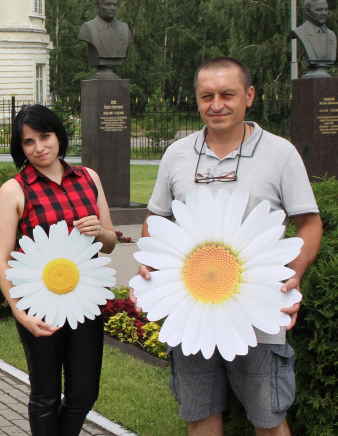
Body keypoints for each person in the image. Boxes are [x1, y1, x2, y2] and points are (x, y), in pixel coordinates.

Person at [131, 57, 323, 435]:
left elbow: (309, 223)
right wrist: (150, 264)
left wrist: (292, 279)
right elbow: (155, 222)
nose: (216, 104)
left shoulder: (280, 153)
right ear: (197, 100)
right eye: (207, 96)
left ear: (249, 96)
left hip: (260, 311)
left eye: (227, 94)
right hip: (191, 316)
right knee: (200, 413)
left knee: (268, 415)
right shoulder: (177, 155)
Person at [0, 104, 117, 435]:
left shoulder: (88, 178)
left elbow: (109, 242)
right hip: (38, 303)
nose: (39, 148)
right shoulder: (15, 190)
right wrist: (19, 312)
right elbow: (1, 256)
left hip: (85, 300)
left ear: (58, 136)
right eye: (28, 142)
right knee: (46, 394)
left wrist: (100, 232)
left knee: (84, 392)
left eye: (44, 136)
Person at [77, 0, 131, 66]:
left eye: (114, 4)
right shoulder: (88, 28)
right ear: (97, 7)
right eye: (108, 4)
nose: (112, 8)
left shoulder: (124, 28)